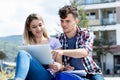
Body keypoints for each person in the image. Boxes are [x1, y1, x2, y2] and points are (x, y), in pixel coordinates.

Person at [52, 5, 105, 80]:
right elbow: (57, 62)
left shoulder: (86, 33)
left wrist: (62, 52)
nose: (63, 24)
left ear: (76, 21)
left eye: (67, 21)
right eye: (62, 21)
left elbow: (84, 52)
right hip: (71, 73)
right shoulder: (58, 39)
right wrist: (63, 67)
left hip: (91, 72)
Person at [14, 13, 63, 80]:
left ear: (43, 25)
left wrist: (57, 66)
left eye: (40, 25)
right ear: (29, 29)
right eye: (34, 27)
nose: (38, 29)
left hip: (47, 76)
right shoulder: (27, 45)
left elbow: (60, 65)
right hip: (30, 76)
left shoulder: (54, 42)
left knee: (22, 53)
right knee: (22, 53)